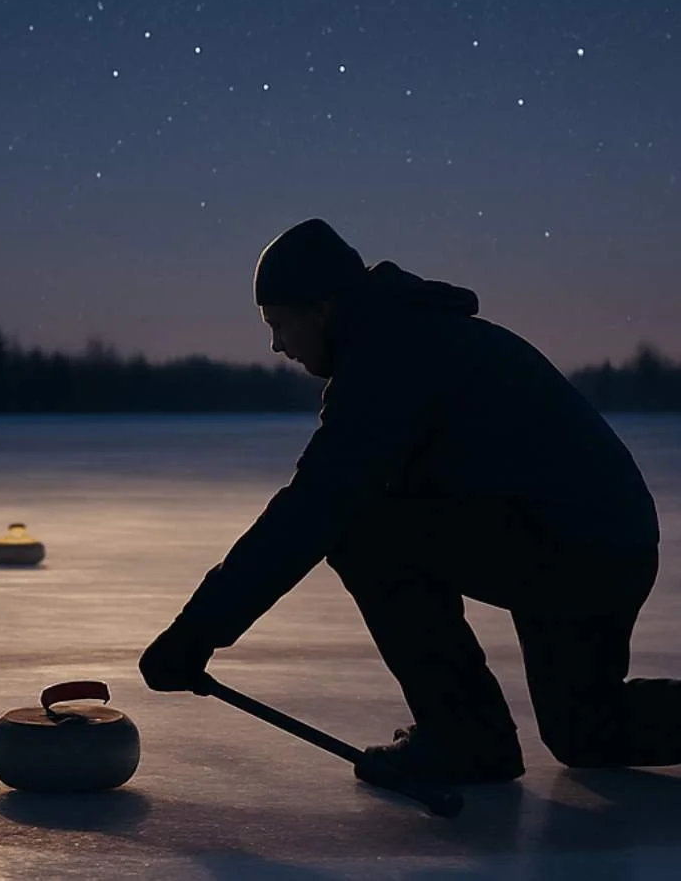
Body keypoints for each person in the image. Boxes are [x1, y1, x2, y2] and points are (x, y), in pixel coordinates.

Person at [139, 218, 681, 788]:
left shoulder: (391, 356)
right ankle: (472, 737)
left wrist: (196, 631)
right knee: (586, 732)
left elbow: (313, 509)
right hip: (599, 539)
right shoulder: (406, 337)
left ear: (320, 308)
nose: (276, 345)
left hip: (577, 545)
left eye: (278, 324)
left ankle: (467, 737)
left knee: (363, 532)